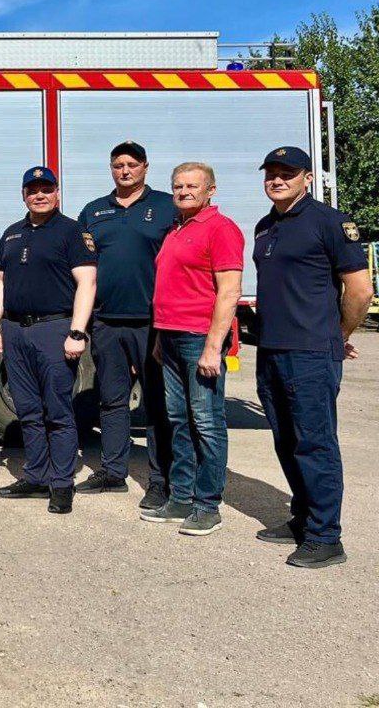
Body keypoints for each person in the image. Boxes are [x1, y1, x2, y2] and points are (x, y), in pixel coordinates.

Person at [251, 146, 371, 568]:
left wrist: (338, 335)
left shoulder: (330, 222)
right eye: (271, 173)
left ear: (307, 177)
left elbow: (359, 290)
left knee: (314, 443)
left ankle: (326, 536)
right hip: (272, 351)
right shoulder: (266, 226)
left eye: (288, 172)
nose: (277, 179)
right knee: (286, 440)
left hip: (310, 353)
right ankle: (303, 517)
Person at [141, 162, 243, 536]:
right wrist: (157, 341)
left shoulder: (221, 228)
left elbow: (229, 292)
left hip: (199, 338)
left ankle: (207, 505)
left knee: (207, 423)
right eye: (178, 186)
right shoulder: (175, 229)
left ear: (211, 190)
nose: (183, 191)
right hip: (168, 338)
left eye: (192, 186)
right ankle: (181, 496)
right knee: (178, 420)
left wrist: (213, 347)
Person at [0, 166, 97, 515]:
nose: (39, 195)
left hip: (54, 329)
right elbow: (1, 284)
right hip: (16, 331)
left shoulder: (71, 232)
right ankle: (35, 476)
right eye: (32, 189)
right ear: (23, 195)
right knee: (28, 410)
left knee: (58, 411)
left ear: (56, 193)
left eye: (46, 189)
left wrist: (77, 332)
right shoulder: (11, 234)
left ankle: (61, 484)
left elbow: (87, 283)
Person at [75, 142, 177, 506]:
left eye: (132, 164)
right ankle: (113, 472)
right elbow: (83, 268)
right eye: (118, 165)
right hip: (106, 321)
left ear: (146, 167)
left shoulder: (167, 207)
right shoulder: (93, 211)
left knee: (157, 403)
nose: (125, 171)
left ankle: (160, 480)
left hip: (153, 322)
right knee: (111, 399)